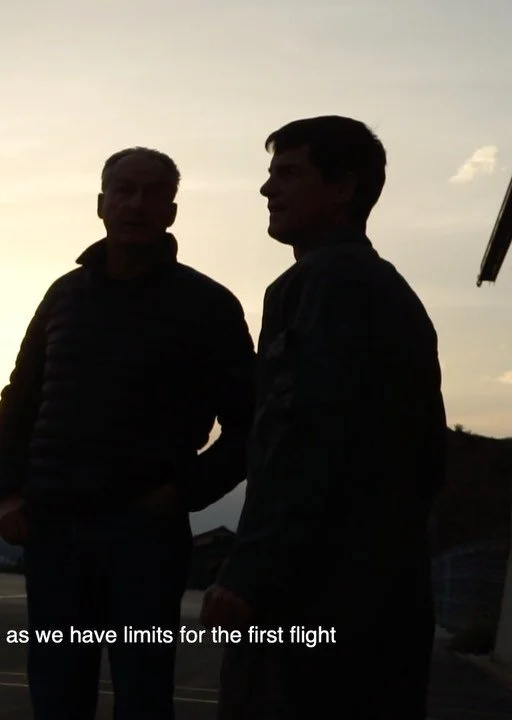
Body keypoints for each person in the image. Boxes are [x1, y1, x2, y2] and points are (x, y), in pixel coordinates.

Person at [0, 146, 256, 720]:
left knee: (142, 694)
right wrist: (7, 493)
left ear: (172, 212)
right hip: (53, 530)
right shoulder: (64, 295)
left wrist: (180, 494)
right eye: (124, 190)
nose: (136, 204)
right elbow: (20, 397)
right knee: (56, 693)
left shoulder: (208, 305)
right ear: (101, 203)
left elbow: (250, 426)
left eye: (153, 193)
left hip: (145, 536)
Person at [200, 116, 447, 719]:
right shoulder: (384, 289)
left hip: (312, 603)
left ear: (343, 188)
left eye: (289, 173)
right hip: (380, 596)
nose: (267, 189)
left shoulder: (323, 284)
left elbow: (302, 436)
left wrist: (250, 573)